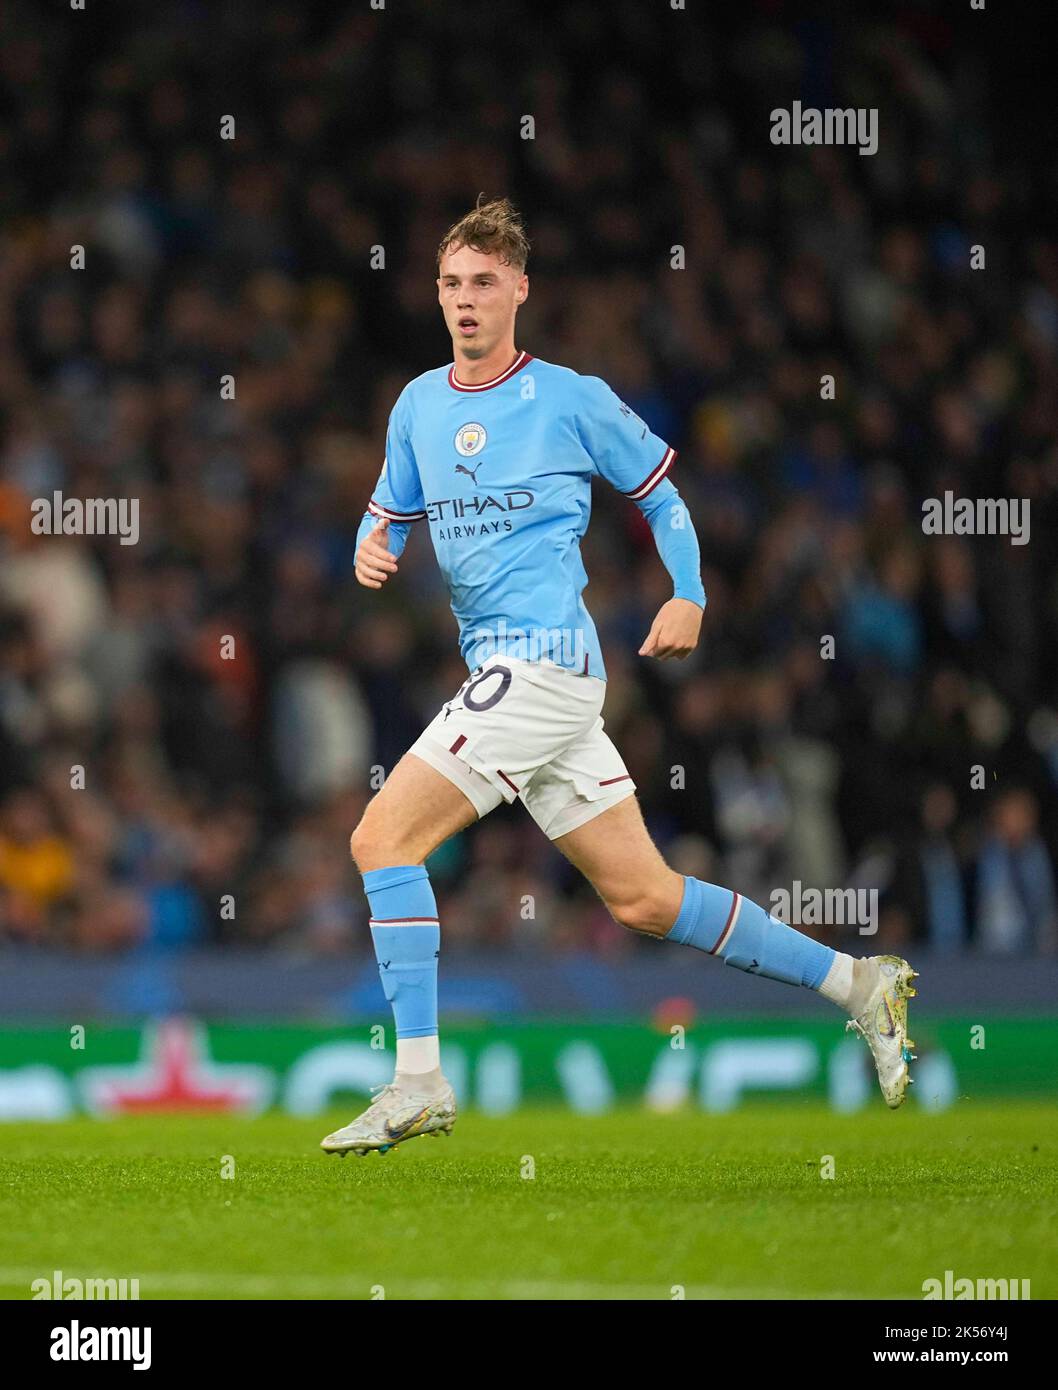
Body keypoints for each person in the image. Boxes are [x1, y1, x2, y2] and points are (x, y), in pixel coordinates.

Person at [321, 198, 917, 1156]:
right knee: (644, 898)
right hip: (518, 678)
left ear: (520, 289)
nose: (465, 303)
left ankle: (418, 1080)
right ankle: (859, 984)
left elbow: (663, 495)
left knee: (381, 837)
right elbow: (384, 512)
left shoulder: (569, 397)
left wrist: (688, 594)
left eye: (483, 283)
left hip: (545, 663)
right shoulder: (418, 406)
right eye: (450, 285)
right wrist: (370, 545)